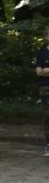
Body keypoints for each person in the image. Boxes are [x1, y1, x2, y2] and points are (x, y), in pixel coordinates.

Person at [35, 27, 49, 157]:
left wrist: (47, 70)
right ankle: (48, 144)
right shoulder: (41, 53)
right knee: (47, 116)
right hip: (45, 88)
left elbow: (43, 71)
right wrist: (43, 71)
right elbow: (39, 72)